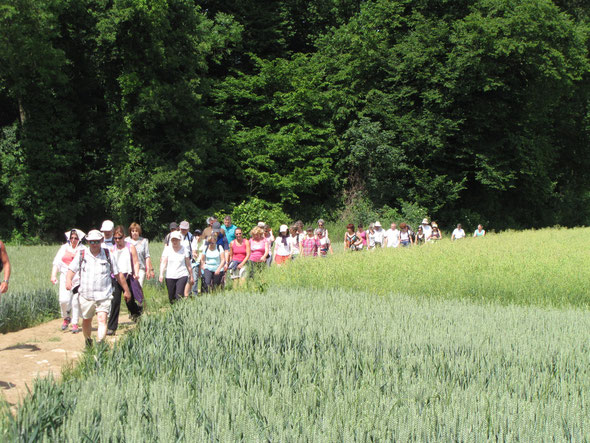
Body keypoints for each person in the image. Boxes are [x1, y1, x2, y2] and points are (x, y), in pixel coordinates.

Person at [66, 230, 131, 347]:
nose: (94, 244)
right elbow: (71, 270)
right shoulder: (82, 254)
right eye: (91, 242)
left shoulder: (108, 254)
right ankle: (88, 340)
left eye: (96, 241)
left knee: (102, 319)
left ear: (101, 241)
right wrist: (68, 280)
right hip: (86, 295)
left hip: (104, 295)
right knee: (86, 320)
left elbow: (118, 274)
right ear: (88, 242)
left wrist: (126, 290)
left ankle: (101, 343)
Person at [106, 226, 142, 335]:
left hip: (128, 277)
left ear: (124, 237)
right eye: (115, 238)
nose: (117, 240)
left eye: (119, 238)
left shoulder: (130, 247)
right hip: (116, 278)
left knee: (129, 301)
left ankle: (137, 316)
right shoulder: (112, 249)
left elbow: (136, 262)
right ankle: (112, 327)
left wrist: (136, 273)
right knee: (115, 301)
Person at [51, 229, 85, 333]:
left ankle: (75, 323)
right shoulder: (63, 248)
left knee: (75, 301)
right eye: (71, 238)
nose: (73, 240)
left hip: (78, 278)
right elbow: (57, 263)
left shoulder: (83, 249)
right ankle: (66, 317)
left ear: (79, 239)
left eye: (75, 238)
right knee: (63, 300)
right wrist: (53, 275)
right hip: (65, 276)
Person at [159, 231, 193, 304]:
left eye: (176, 239)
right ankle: (174, 312)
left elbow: (188, 264)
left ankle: (180, 312)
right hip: (170, 276)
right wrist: (161, 274)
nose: (174, 241)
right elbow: (164, 262)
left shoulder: (184, 250)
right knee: (171, 297)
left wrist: (191, 275)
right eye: (173, 240)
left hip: (182, 275)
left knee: (179, 296)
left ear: (180, 240)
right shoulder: (167, 249)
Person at [125, 222, 154, 287]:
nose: (134, 233)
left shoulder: (144, 241)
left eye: (136, 231)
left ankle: (139, 297)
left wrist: (148, 270)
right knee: (129, 288)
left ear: (139, 232)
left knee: (138, 286)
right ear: (130, 232)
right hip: (128, 268)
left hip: (140, 268)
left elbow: (147, 256)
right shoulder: (126, 241)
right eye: (133, 231)